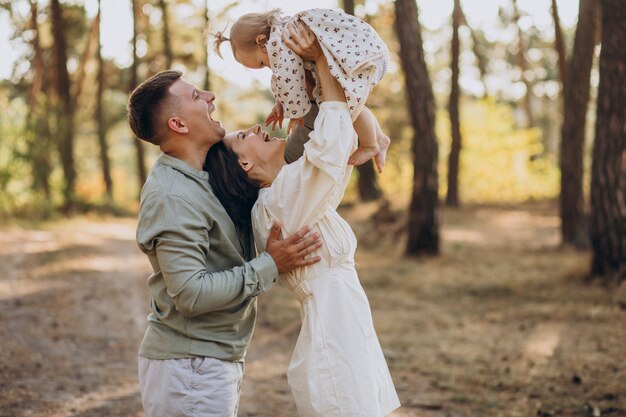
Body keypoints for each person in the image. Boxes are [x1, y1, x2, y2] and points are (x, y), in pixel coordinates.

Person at [208, 22, 400, 417]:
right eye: (246, 134)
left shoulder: (288, 190)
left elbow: (335, 127)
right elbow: (329, 144)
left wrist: (321, 78)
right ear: (244, 163)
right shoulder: (277, 205)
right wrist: (322, 64)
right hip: (334, 334)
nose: (260, 126)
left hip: (349, 326)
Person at [126, 68, 325, 417]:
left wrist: (308, 96)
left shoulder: (212, 167)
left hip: (212, 359)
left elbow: (286, 153)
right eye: (195, 96)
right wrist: (270, 265)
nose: (210, 97)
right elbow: (191, 293)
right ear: (179, 125)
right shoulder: (172, 196)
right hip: (190, 366)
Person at [214, 8, 391, 173]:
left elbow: (289, 77)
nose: (267, 67)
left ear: (261, 41)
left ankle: (370, 145)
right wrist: (281, 103)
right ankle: (380, 138)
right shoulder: (282, 33)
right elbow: (283, 77)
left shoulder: (281, 41)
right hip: (365, 48)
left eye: (261, 63)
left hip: (360, 54)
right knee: (350, 101)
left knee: (346, 106)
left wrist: (296, 112)